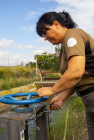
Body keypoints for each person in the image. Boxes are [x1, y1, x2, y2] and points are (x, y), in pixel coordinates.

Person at [36, 11, 94, 140]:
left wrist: (52, 90)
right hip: (89, 100)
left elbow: (75, 73)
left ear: (56, 24)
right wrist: (61, 96)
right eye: (42, 35)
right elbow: (78, 79)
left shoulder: (73, 35)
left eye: (45, 32)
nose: (45, 38)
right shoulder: (64, 48)